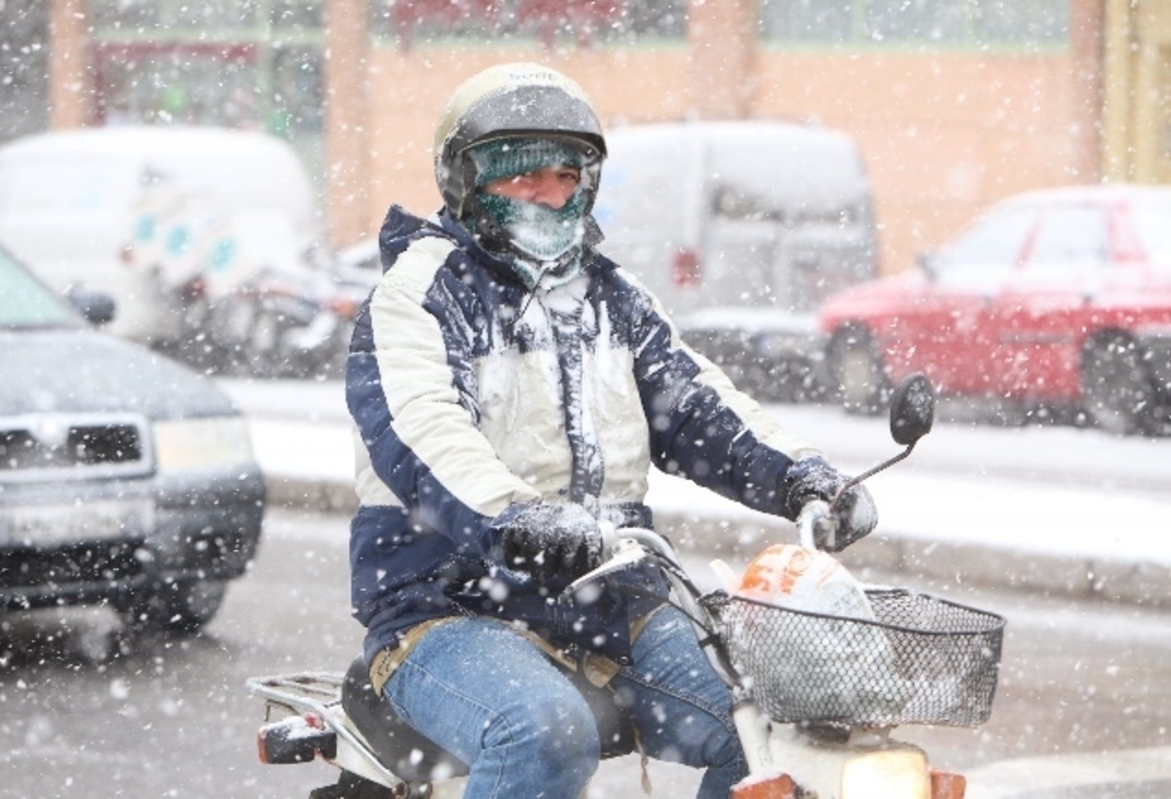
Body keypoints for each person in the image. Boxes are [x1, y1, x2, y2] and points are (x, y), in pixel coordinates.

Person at [345, 62, 877, 799]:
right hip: (446, 602)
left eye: (566, 174)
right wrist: (516, 518)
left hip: (612, 598)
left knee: (768, 727)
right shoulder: (421, 294)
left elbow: (696, 405)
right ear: (464, 178)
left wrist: (802, 476)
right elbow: (421, 433)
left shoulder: (610, 297)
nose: (548, 192)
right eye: (518, 173)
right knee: (544, 731)